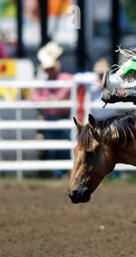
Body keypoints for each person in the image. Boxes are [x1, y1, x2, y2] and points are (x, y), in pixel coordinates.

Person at [30, 42, 73, 178]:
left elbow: (73, 83)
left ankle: (64, 171)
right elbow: (33, 98)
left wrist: (59, 97)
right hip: (51, 118)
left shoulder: (64, 78)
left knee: (65, 144)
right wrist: (48, 101)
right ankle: (57, 173)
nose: (50, 71)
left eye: (51, 68)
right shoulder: (43, 83)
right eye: (47, 69)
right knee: (53, 146)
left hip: (63, 116)